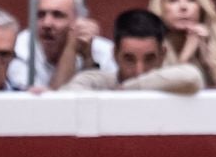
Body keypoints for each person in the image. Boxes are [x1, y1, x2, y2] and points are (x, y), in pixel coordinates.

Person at [61, 9, 204, 94]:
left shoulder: (172, 82)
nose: (139, 71)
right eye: (129, 59)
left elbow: (192, 77)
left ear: (163, 55)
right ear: (114, 54)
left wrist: (127, 89)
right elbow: (65, 98)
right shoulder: (99, 81)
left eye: (149, 59)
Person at [9, 0, 116, 91]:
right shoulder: (21, 48)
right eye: (41, 15)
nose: (47, 24)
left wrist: (88, 59)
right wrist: (71, 47)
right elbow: (53, 105)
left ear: (80, 20)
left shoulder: (105, 51)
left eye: (57, 15)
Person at [149, 0, 216, 88]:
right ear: (160, 7)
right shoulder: (150, 47)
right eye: (173, 0)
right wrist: (185, 57)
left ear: (201, 7)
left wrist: (209, 64)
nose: (183, 7)